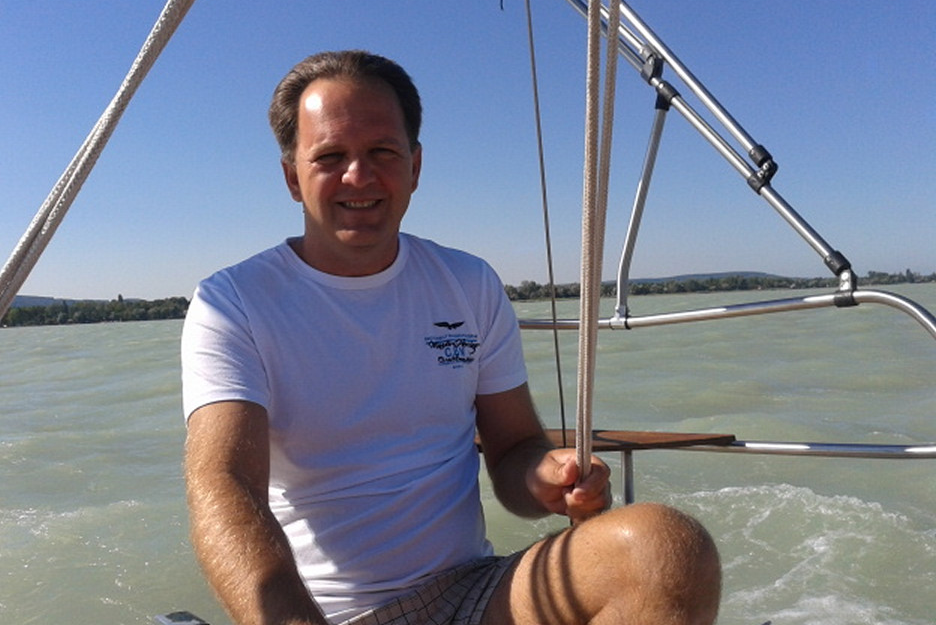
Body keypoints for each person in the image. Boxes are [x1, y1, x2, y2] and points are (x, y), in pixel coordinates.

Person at [181, 50, 721, 625]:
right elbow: (224, 485)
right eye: (330, 156)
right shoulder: (233, 303)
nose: (358, 176)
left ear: (414, 167)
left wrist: (545, 478)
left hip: (472, 591)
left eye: (382, 152)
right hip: (331, 613)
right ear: (293, 177)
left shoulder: (468, 284)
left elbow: (514, 450)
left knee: (663, 549)